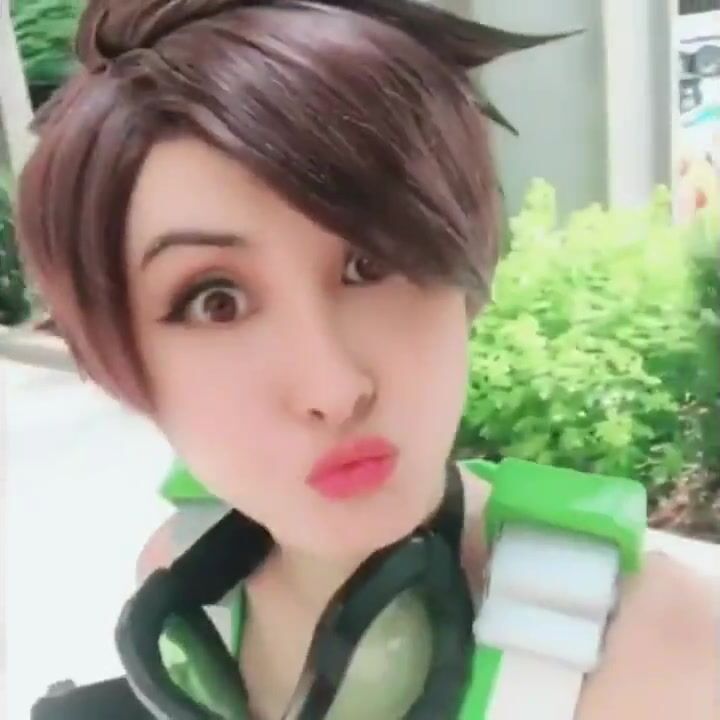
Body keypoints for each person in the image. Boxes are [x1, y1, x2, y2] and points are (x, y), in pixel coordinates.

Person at [16, 0, 719, 718]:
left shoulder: (651, 656)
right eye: (216, 302)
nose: (333, 388)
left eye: (370, 263)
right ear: (122, 356)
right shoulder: (185, 589)